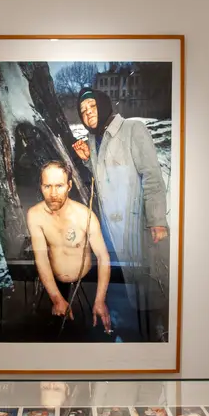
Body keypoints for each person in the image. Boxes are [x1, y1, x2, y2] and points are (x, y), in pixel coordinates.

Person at [72, 87, 170, 341]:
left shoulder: (132, 129)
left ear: (103, 105)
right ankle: (121, 334)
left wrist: (157, 220)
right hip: (108, 228)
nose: (87, 113)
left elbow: (151, 176)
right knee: (118, 283)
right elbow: (103, 177)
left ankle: (151, 338)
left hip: (133, 223)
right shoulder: (95, 140)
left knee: (143, 284)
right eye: (83, 111)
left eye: (91, 107)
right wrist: (85, 160)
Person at [26, 161, 112, 334]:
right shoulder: (35, 215)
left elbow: (103, 257)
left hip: (85, 282)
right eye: (47, 186)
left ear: (69, 185)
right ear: (41, 186)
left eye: (59, 186)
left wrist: (100, 300)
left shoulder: (84, 216)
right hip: (53, 283)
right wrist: (56, 298)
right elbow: (41, 258)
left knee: (87, 333)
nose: (53, 193)